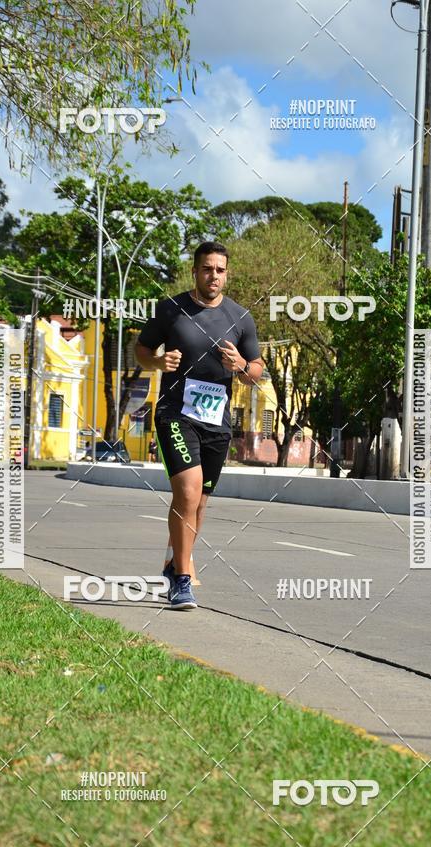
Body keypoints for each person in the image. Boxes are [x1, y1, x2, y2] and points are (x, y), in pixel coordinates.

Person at [135, 241, 264, 610]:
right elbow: (141, 350)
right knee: (188, 492)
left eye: (220, 270)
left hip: (217, 422)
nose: (214, 276)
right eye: (207, 269)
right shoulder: (172, 310)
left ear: (227, 274)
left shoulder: (240, 318)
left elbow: (256, 371)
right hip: (176, 413)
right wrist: (159, 363)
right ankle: (182, 579)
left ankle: (174, 561)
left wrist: (240, 364)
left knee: (201, 502)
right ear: (195, 271)